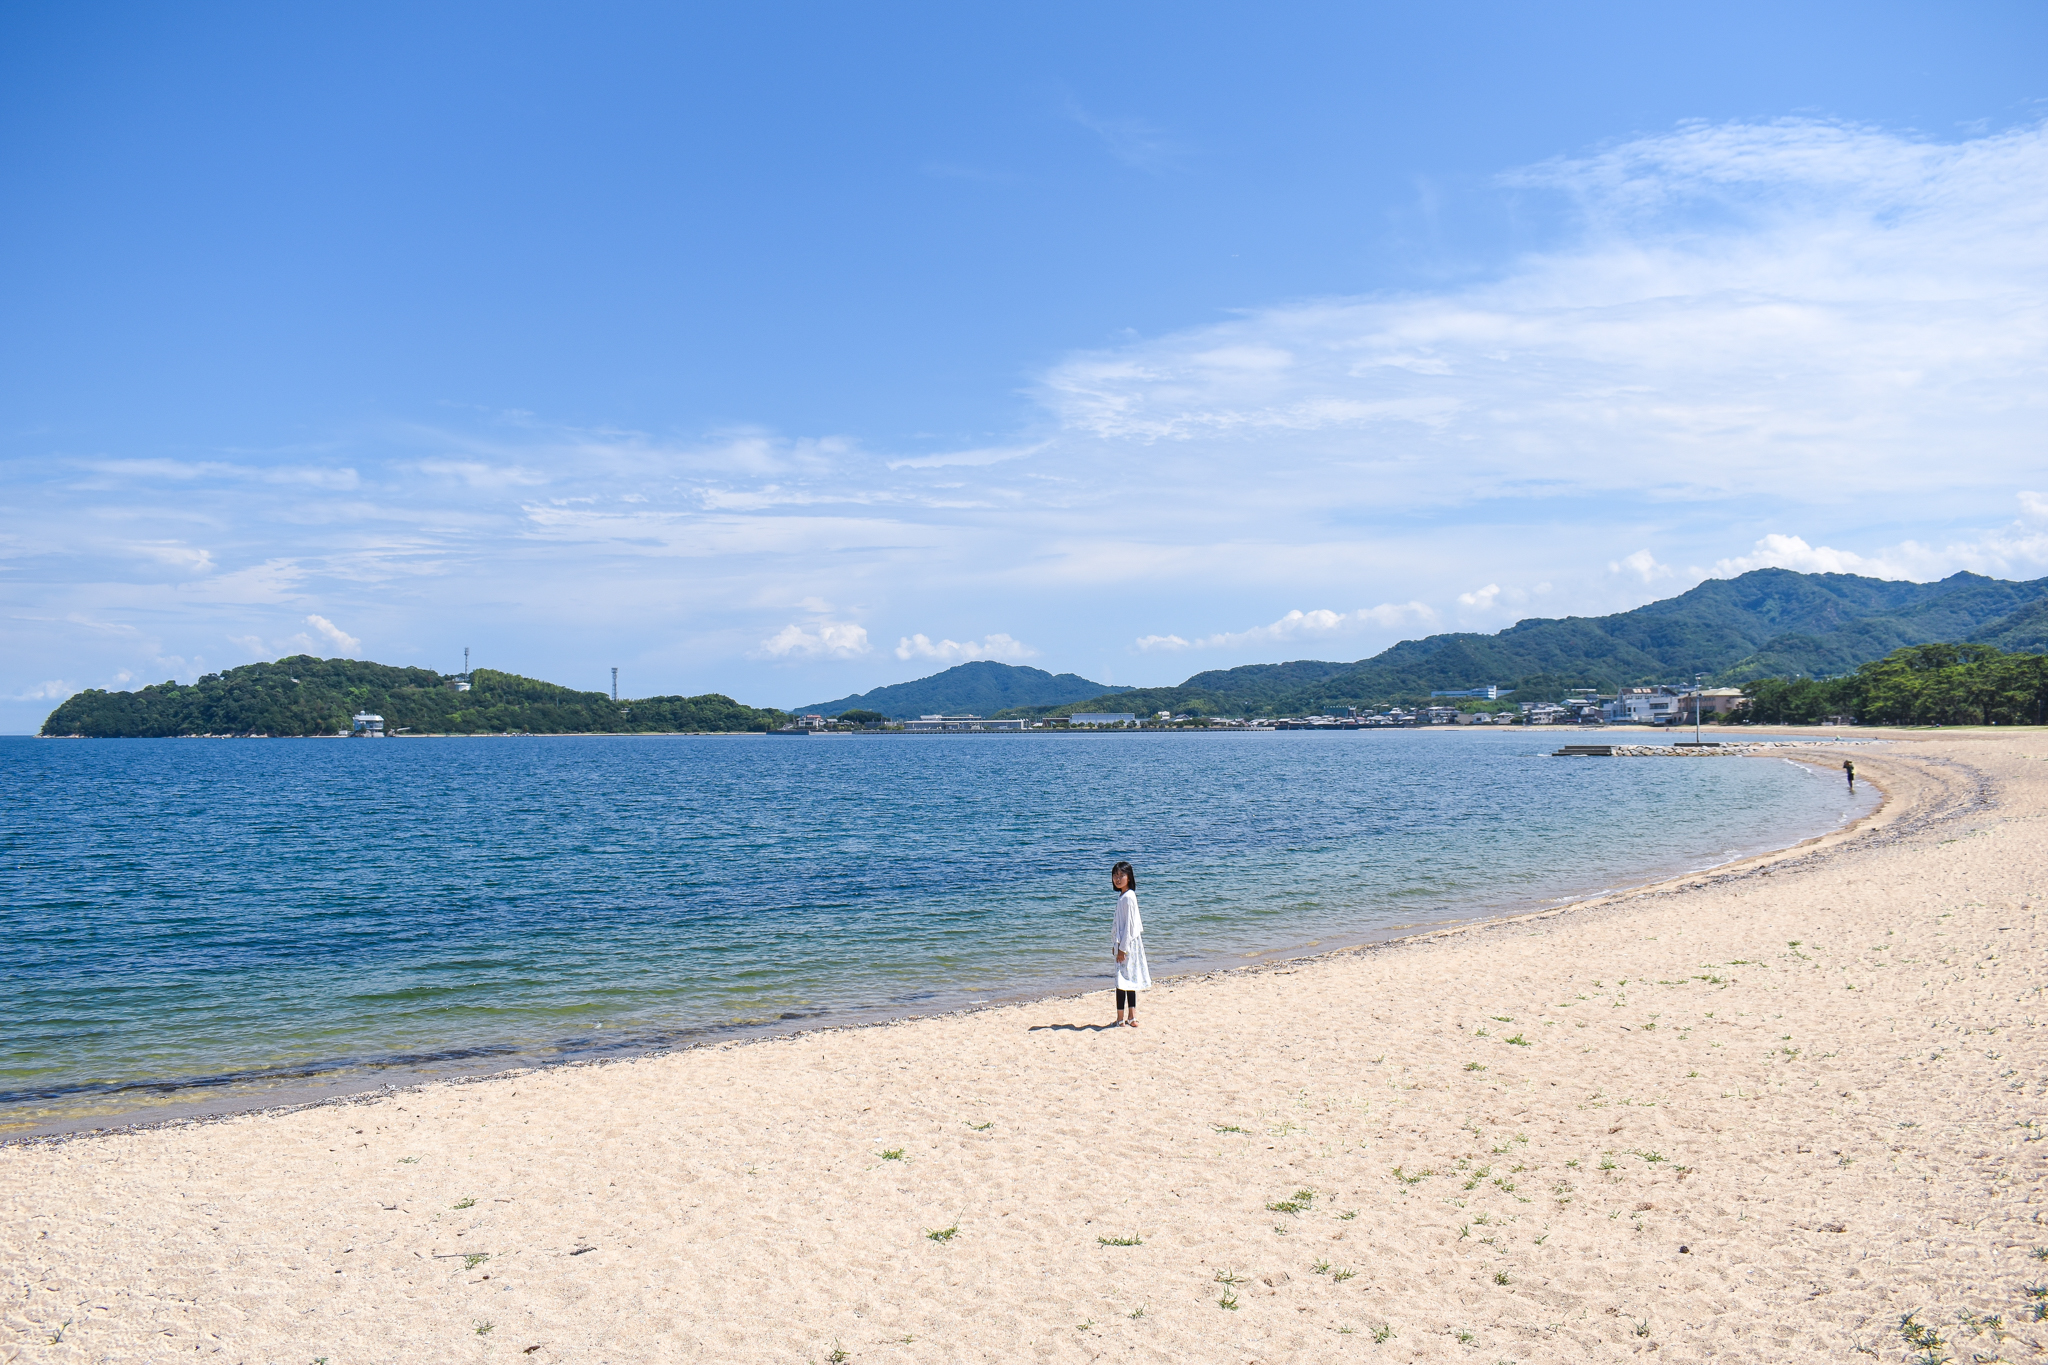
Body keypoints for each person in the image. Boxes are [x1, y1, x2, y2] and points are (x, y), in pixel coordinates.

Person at [1110, 860, 1151, 1027]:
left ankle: (1124, 1018)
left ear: (1129, 877)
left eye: (1122, 876)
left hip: (1127, 945)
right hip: (1126, 944)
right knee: (1128, 979)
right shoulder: (1124, 896)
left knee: (1123, 981)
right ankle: (1129, 1017)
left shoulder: (1128, 897)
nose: (1118, 879)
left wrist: (1122, 948)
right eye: (1115, 876)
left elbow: (1129, 927)